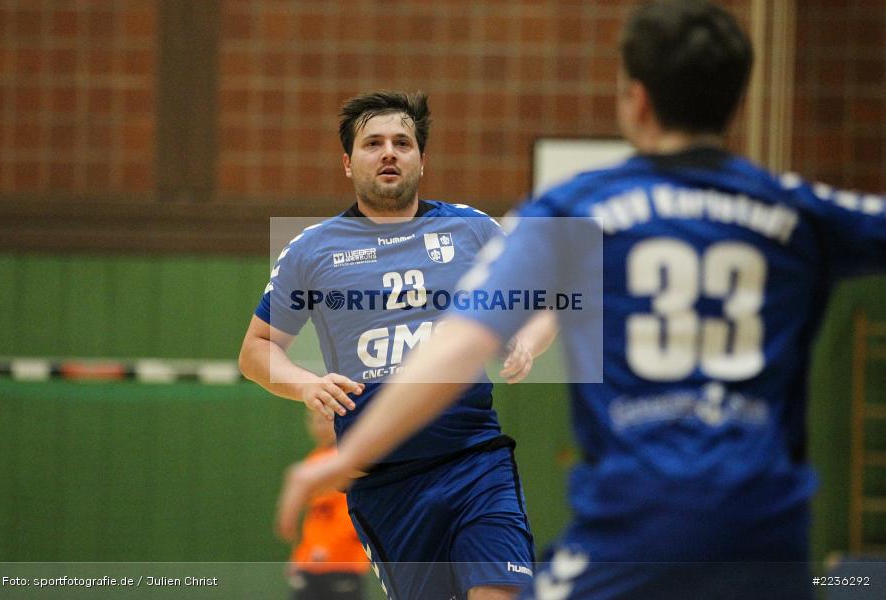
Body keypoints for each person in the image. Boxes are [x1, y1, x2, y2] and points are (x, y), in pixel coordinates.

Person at [274, 2, 886, 600]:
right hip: (769, 529)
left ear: (636, 99)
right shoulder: (794, 210)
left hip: (631, 521)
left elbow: (461, 342)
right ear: (738, 100)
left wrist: (343, 456)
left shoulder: (577, 209)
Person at [240, 91, 556, 600]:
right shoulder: (312, 250)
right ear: (348, 163)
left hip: (475, 461)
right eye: (373, 143)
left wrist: (527, 340)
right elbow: (256, 349)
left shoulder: (470, 228)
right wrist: (305, 385)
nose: (389, 152)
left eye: (402, 143)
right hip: (385, 483)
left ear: (421, 160)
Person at [283, 410, 369, 600]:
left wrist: (327, 549)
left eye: (324, 421)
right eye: (315, 421)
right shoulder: (314, 458)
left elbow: (350, 514)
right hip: (311, 562)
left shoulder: (350, 460)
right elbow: (313, 518)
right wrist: (300, 555)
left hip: (342, 561)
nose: (319, 427)